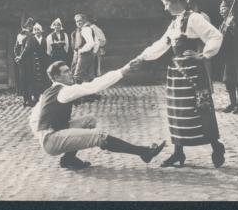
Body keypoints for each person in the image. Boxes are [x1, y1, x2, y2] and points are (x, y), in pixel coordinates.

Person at [134, 0, 226, 168]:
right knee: (177, 112)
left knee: (200, 110)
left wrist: (204, 54)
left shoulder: (194, 18)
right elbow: (162, 43)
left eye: (166, 4)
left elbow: (216, 35)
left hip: (192, 73)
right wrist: (142, 57)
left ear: (176, 2)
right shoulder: (175, 22)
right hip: (176, 73)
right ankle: (178, 153)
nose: (165, 8)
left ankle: (217, 147)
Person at [29, 60, 166, 170]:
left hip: (52, 135)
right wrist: (123, 71)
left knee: (89, 121)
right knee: (98, 136)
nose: (70, 73)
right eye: (65, 72)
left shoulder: (48, 92)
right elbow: (95, 86)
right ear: (56, 77)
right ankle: (143, 152)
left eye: (69, 70)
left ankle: (68, 159)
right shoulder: (64, 91)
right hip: (52, 140)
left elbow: (33, 118)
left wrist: (44, 131)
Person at [219, 0, 238, 114]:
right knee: (228, 81)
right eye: (220, 9)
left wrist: (233, 27)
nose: (221, 11)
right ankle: (232, 104)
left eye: (223, 8)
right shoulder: (224, 22)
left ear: (230, 9)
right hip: (228, 57)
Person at [22, 23, 51, 107]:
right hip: (33, 62)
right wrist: (21, 58)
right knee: (34, 79)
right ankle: (35, 97)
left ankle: (44, 97)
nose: (37, 31)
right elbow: (26, 50)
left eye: (38, 29)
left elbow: (48, 50)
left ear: (41, 30)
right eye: (35, 30)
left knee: (43, 78)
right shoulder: (31, 39)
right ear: (33, 31)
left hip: (43, 61)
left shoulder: (44, 39)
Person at [14, 17, 34, 106]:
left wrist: (18, 57)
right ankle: (27, 99)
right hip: (28, 59)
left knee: (25, 79)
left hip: (23, 60)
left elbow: (16, 49)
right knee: (27, 79)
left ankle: (26, 99)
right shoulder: (29, 35)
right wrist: (19, 57)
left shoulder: (20, 35)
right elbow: (26, 49)